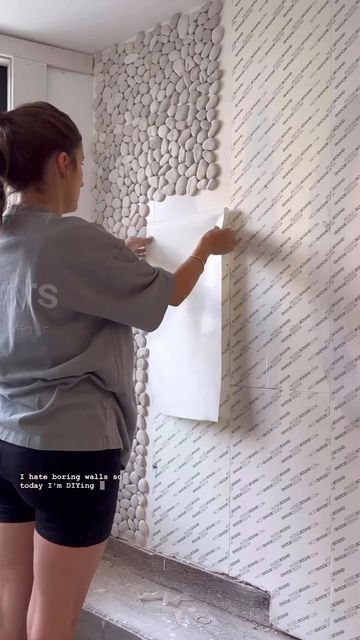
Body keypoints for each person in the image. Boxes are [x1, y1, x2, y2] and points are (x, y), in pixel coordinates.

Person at [0, 101, 237, 640]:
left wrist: (117, 256)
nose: (82, 179)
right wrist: (207, 246)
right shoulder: (76, 240)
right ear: (63, 163)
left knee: (13, 598)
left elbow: (47, 294)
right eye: (82, 164)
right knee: (54, 620)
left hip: (8, 446)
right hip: (69, 452)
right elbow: (172, 294)